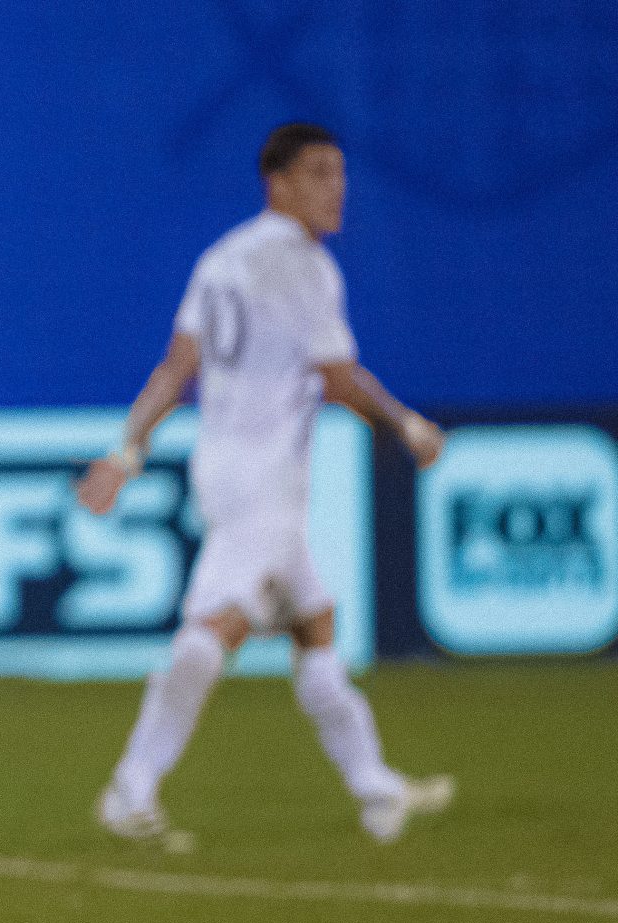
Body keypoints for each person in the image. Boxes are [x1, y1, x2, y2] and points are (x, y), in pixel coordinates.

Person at [79, 122, 453, 851]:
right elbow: (338, 378)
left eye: (340, 172)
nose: (336, 187)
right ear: (276, 181)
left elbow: (175, 367)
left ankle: (376, 789)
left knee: (314, 624)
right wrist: (406, 424)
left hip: (226, 464)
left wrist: (128, 449)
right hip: (265, 479)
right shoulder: (305, 267)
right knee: (215, 629)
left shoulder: (220, 259)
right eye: (319, 172)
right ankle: (130, 787)